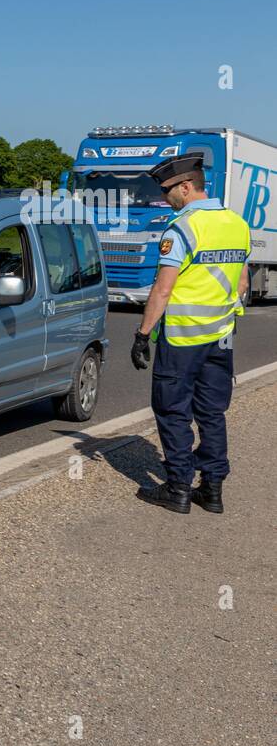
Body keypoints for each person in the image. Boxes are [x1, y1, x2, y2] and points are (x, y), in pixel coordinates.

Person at [132, 153, 250, 514]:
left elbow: (163, 290)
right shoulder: (237, 224)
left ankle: (178, 487)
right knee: (212, 412)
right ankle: (212, 490)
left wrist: (143, 334)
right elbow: (242, 283)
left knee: (172, 409)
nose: (164, 198)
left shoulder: (181, 228)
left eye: (168, 191)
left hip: (183, 339)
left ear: (186, 186)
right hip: (221, 336)